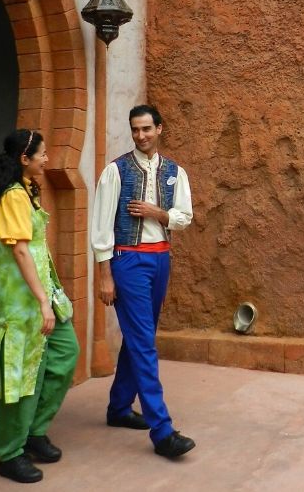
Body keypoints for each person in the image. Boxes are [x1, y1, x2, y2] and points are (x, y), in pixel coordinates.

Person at [91, 105, 196, 458]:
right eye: (135, 130)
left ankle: (119, 408)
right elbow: (101, 227)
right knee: (144, 344)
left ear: (159, 129)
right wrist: (105, 275)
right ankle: (162, 430)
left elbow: (184, 217)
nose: (141, 136)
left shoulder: (175, 172)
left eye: (147, 129)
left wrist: (157, 213)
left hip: (160, 258)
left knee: (140, 338)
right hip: (128, 260)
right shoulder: (115, 171)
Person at [0, 130, 80, 484]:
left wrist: (50, 297)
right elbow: (20, 250)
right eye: (43, 153)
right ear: (25, 158)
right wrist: (42, 302)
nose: (48, 158)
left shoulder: (27, 190)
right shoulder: (12, 196)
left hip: (43, 295)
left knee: (65, 354)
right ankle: (10, 453)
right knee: (18, 378)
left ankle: (35, 431)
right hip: (19, 304)